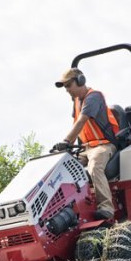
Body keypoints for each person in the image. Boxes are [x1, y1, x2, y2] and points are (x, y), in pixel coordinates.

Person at [51, 67, 120, 220]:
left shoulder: (93, 97)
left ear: (80, 81)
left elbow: (82, 121)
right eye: (65, 87)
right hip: (85, 148)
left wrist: (66, 141)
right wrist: (66, 149)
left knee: (94, 166)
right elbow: (76, 124)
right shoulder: (76, 101)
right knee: (63, 167)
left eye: (69, 85)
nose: (67, 90)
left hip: (104, 145)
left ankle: (107, 209)